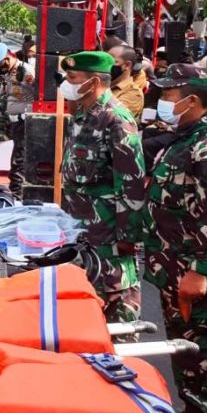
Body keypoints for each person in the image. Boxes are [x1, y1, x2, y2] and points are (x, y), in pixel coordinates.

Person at [145, 64, 207, 413]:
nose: (163, 101)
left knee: (200, 351)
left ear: (192, 101)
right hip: (173, 265)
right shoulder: (183, 137)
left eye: (168, 95)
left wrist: (198, 270)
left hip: (193, 269)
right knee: (184, 348)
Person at [59, 51, 146, 332]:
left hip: (109, 232)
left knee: (116, 300)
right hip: (82, 228)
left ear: (94, 81)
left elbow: (131, 182)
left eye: (72, 78)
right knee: (86, 303)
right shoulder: (83, 113)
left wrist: (127, 237)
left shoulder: (116, 119)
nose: (66, 83)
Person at [0, 43, 35, 198]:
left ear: (8, 58)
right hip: (14, 120)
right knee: (16, 157)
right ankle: (16, 191)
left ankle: (18, 195)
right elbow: (2, 90)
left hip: (25, 120)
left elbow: (39, 96)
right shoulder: (10, 73)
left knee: (20, 159)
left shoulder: (27, 72)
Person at [108, 44, 144, 120]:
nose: (106, 65)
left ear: (127, 65)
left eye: (111, 61)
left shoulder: (133, 93)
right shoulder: (106, 85)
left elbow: (112, 118)